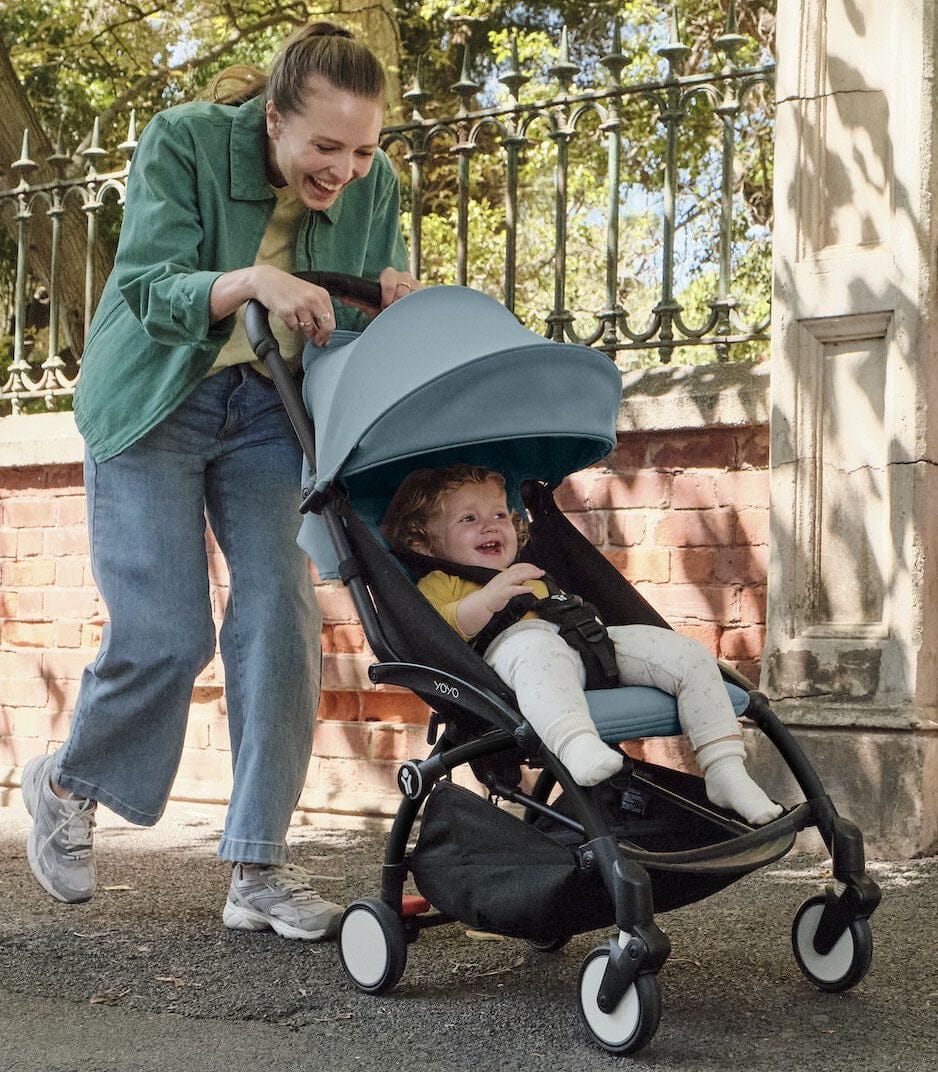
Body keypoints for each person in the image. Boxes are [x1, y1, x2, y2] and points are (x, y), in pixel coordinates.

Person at [21, 21, 419, 939]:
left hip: (269, 410)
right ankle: (71, 781)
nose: (344, 169)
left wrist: (390, 300)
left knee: (281, 618)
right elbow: (148, 287)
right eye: (324, 146)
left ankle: (258, 872)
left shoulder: (377, 186)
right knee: (167, 629)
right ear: (273, 118)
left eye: (362, 149)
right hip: (157, 397)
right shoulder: (186, 140)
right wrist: (248, 281)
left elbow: (342, 333)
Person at [382, 464, 783, 825]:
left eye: (500, 514)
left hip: (591, 645)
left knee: (685, 653)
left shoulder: (527, 568)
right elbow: (444, 631)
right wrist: (488, 600)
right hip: (522, 659)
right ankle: (577, 747)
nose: (490, 526)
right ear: (425, 541)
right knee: (536, 645)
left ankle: (724, 769)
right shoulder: (440, 581)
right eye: (469, 518)